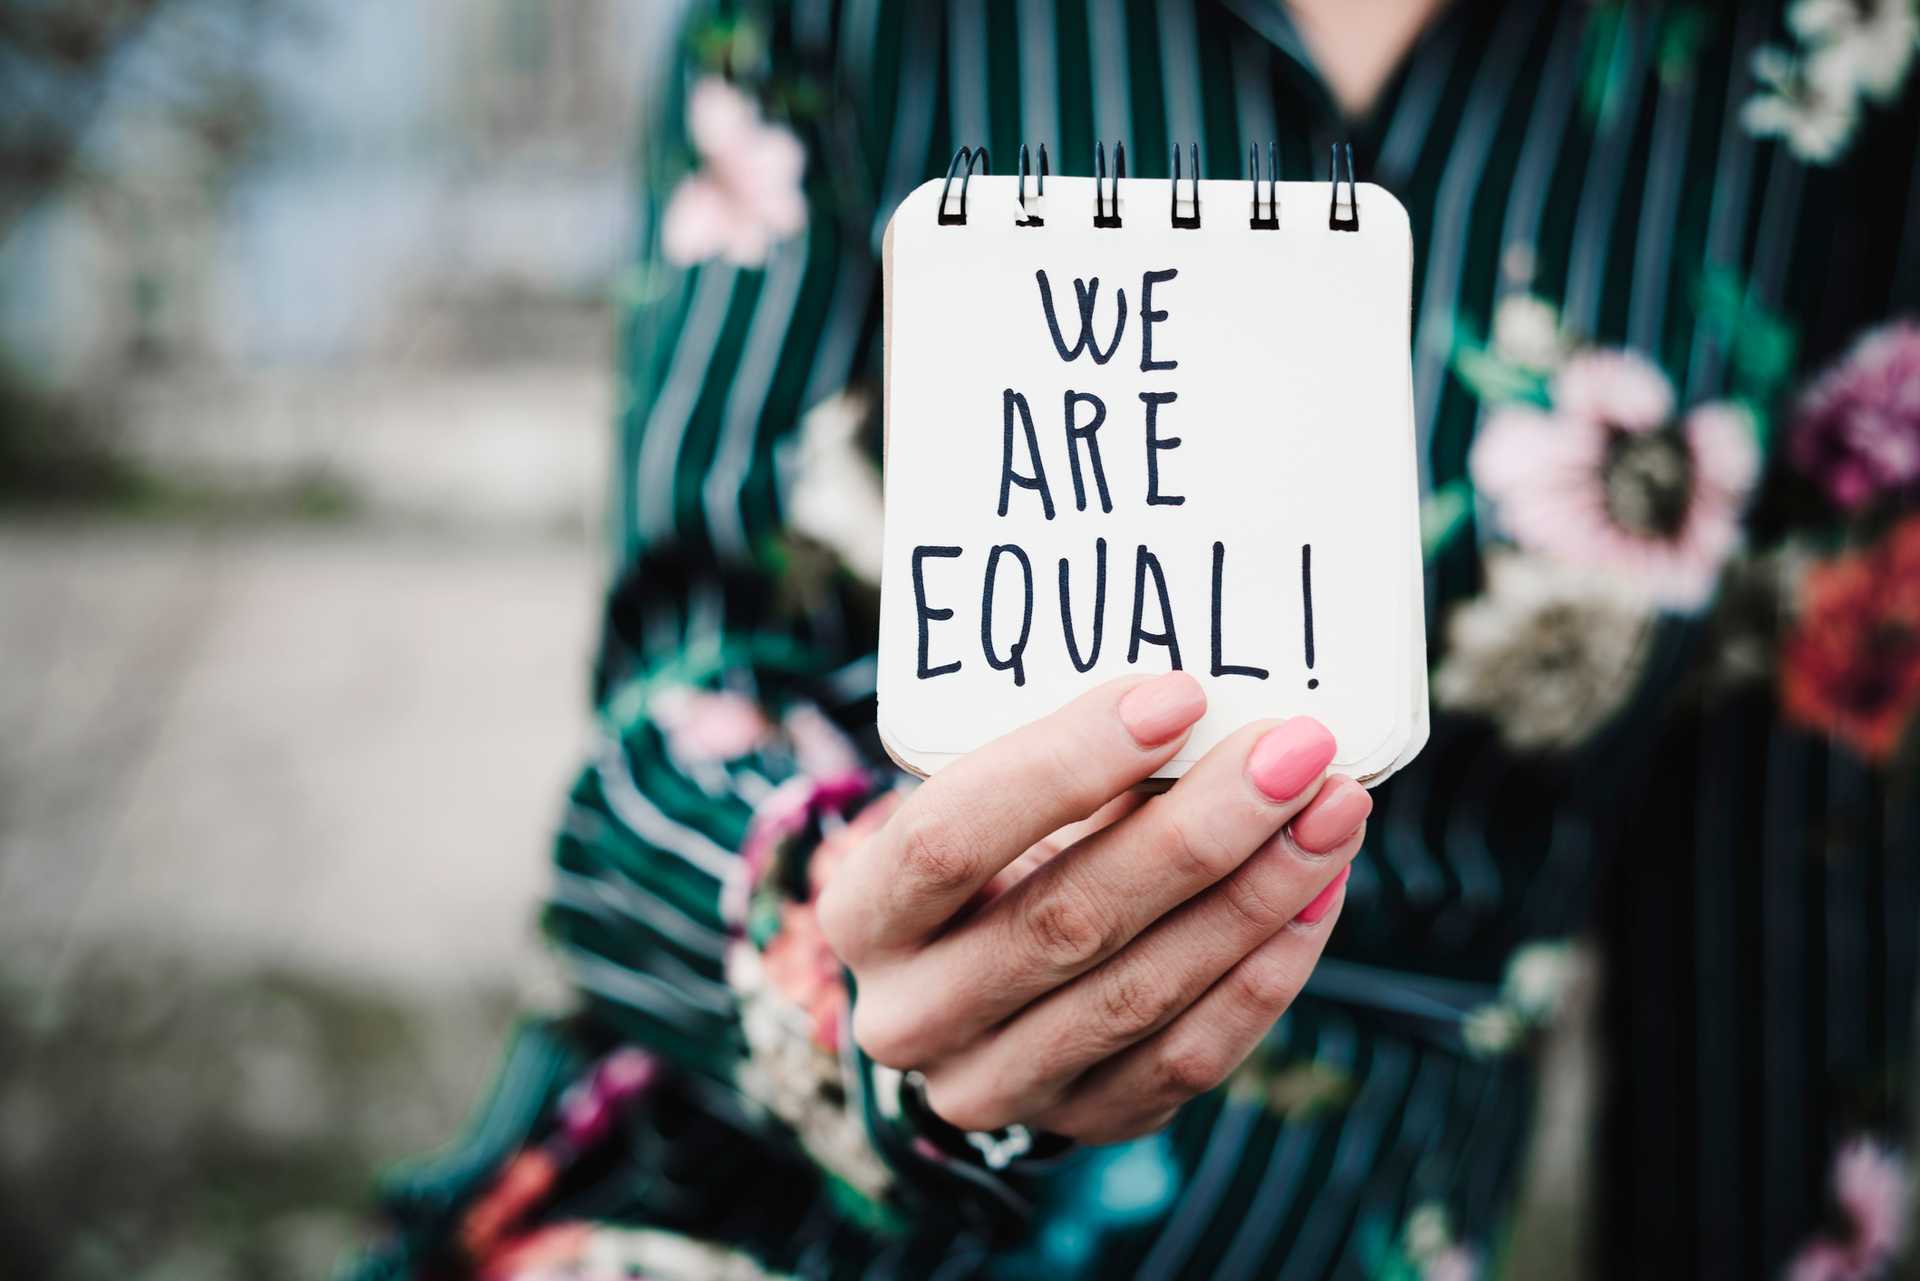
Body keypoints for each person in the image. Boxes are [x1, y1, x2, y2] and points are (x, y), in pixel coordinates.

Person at [349, 1, 1920, 1278]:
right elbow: (647, 754)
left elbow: (1791, 935)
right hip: (724, 1214)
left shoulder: (1824, 64)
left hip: (1335, 1224)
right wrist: (843, 961)